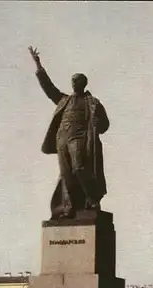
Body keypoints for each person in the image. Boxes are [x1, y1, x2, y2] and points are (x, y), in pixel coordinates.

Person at [28, 46, 110, 219]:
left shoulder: (93, 103)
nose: (73, 83)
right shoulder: (64, 100)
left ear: (83, 84)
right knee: (66, 174)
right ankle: (70, 207)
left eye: (76, 81)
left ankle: (91, 199)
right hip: (62, 139)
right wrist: (38, 65)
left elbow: (105, 124)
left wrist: (98, 123)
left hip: (79, 138)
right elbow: (49, 89)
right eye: (72, 81)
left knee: (79, 167)